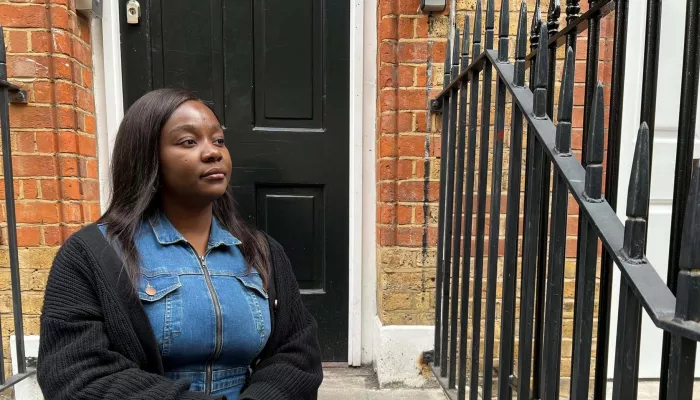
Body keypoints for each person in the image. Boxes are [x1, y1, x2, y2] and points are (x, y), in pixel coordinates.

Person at [37, 88, 323, 400]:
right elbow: (74, 374)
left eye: (218, 140)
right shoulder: (91, 255)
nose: (213, 152)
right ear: (147, 157)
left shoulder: (261, 251)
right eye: (188, 141)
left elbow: (297, 353)